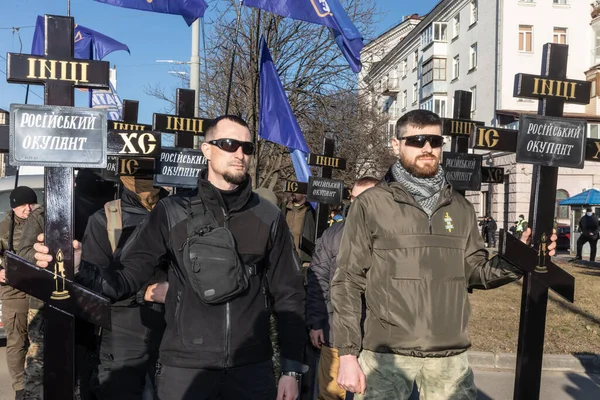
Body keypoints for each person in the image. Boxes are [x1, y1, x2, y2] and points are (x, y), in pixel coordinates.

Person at [34, 115, 307, 400]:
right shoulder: (172, 212)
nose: (239, 153)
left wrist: (291, 370)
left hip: (251, 370)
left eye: (247, 148)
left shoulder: (268, 216)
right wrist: (78, 267)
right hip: (185, 370)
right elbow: (124, 278)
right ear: (207, 149)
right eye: (229, 144)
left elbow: (289, 294)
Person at [330, 110, 557, 399]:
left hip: (449, 359)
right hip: (386, 355)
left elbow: (475, 271)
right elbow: (347, 280)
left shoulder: (460, 207)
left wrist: (519, 258)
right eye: (417, 140)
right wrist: (348, 355)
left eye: (435, 140)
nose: (427, 148)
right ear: (396, 145)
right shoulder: (372, 204)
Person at [82, 176, 170, 399]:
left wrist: (175, 290)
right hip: (122, 336)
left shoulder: (176, 212)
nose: (145, 180)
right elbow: (94, 288)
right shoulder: (106, 219)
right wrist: (145, 293)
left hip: (173, 335)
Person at [306, 177, 379, 400]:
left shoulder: (392, 237)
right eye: (353, 198)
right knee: (330, 394)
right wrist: (316, 322)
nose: (356, 204)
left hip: (376, 336)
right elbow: (318, 279)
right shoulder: (333, 234)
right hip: (335, 330)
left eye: (363, 199)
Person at [0, 186, 38, 400]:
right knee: (17, 341)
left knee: (39, 340)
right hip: (14, 293)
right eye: (23, 205)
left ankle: (37, 381)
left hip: (40, 291)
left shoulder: (42, 224)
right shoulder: (4, 228)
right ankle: (20, 387)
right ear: (14, 206)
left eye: (31, 203)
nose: (28, 208)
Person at [284, 193, 316, 268]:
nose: (293, 192)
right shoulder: (284, 208)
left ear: (304, 194)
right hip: (285, 257)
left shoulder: (311, 211)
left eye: (297, 191)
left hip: (302, 259)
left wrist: (307, 260)